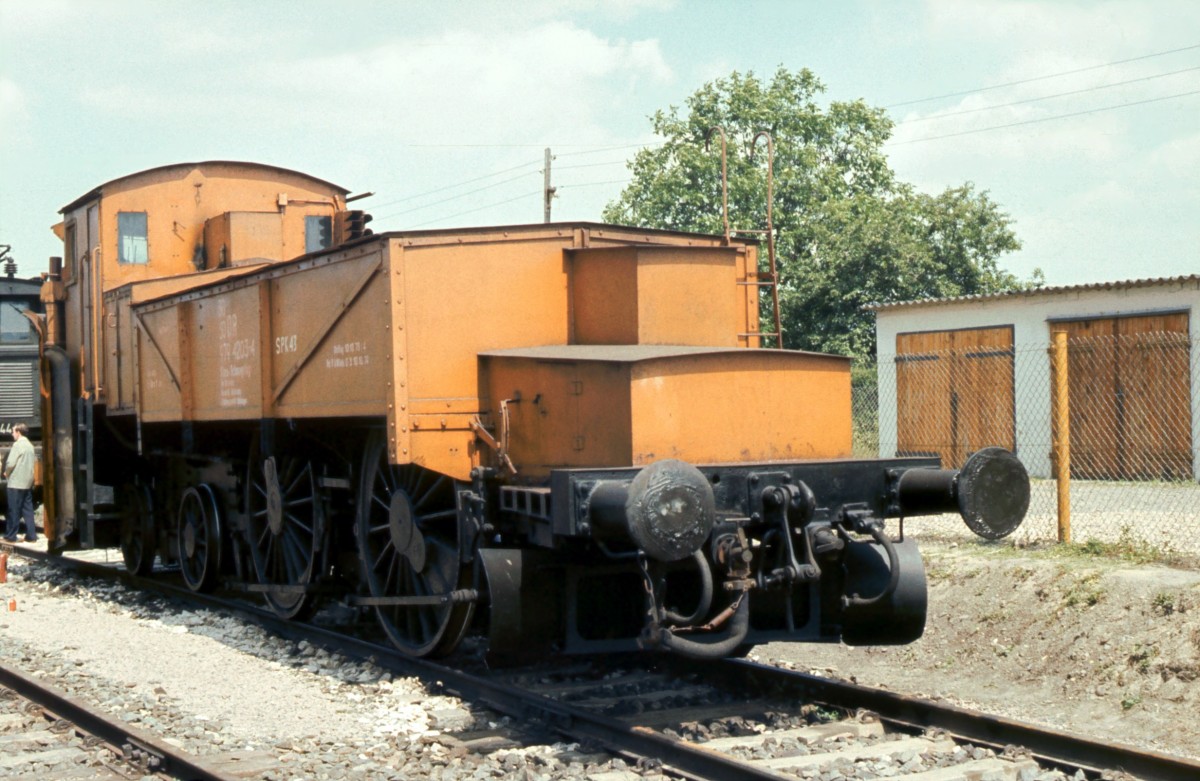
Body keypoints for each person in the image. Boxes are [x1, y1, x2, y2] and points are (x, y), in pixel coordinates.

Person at [3, 423, 37, 543]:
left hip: (16, 482)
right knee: (28, 509)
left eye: (13, 431)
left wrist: (6, 472)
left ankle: (11, 536)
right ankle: (32, 536)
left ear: (18, 432)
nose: (12, 434)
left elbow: (10, 463)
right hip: (27, 482)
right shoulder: (30, 446)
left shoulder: (17, 445)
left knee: (14, 509)